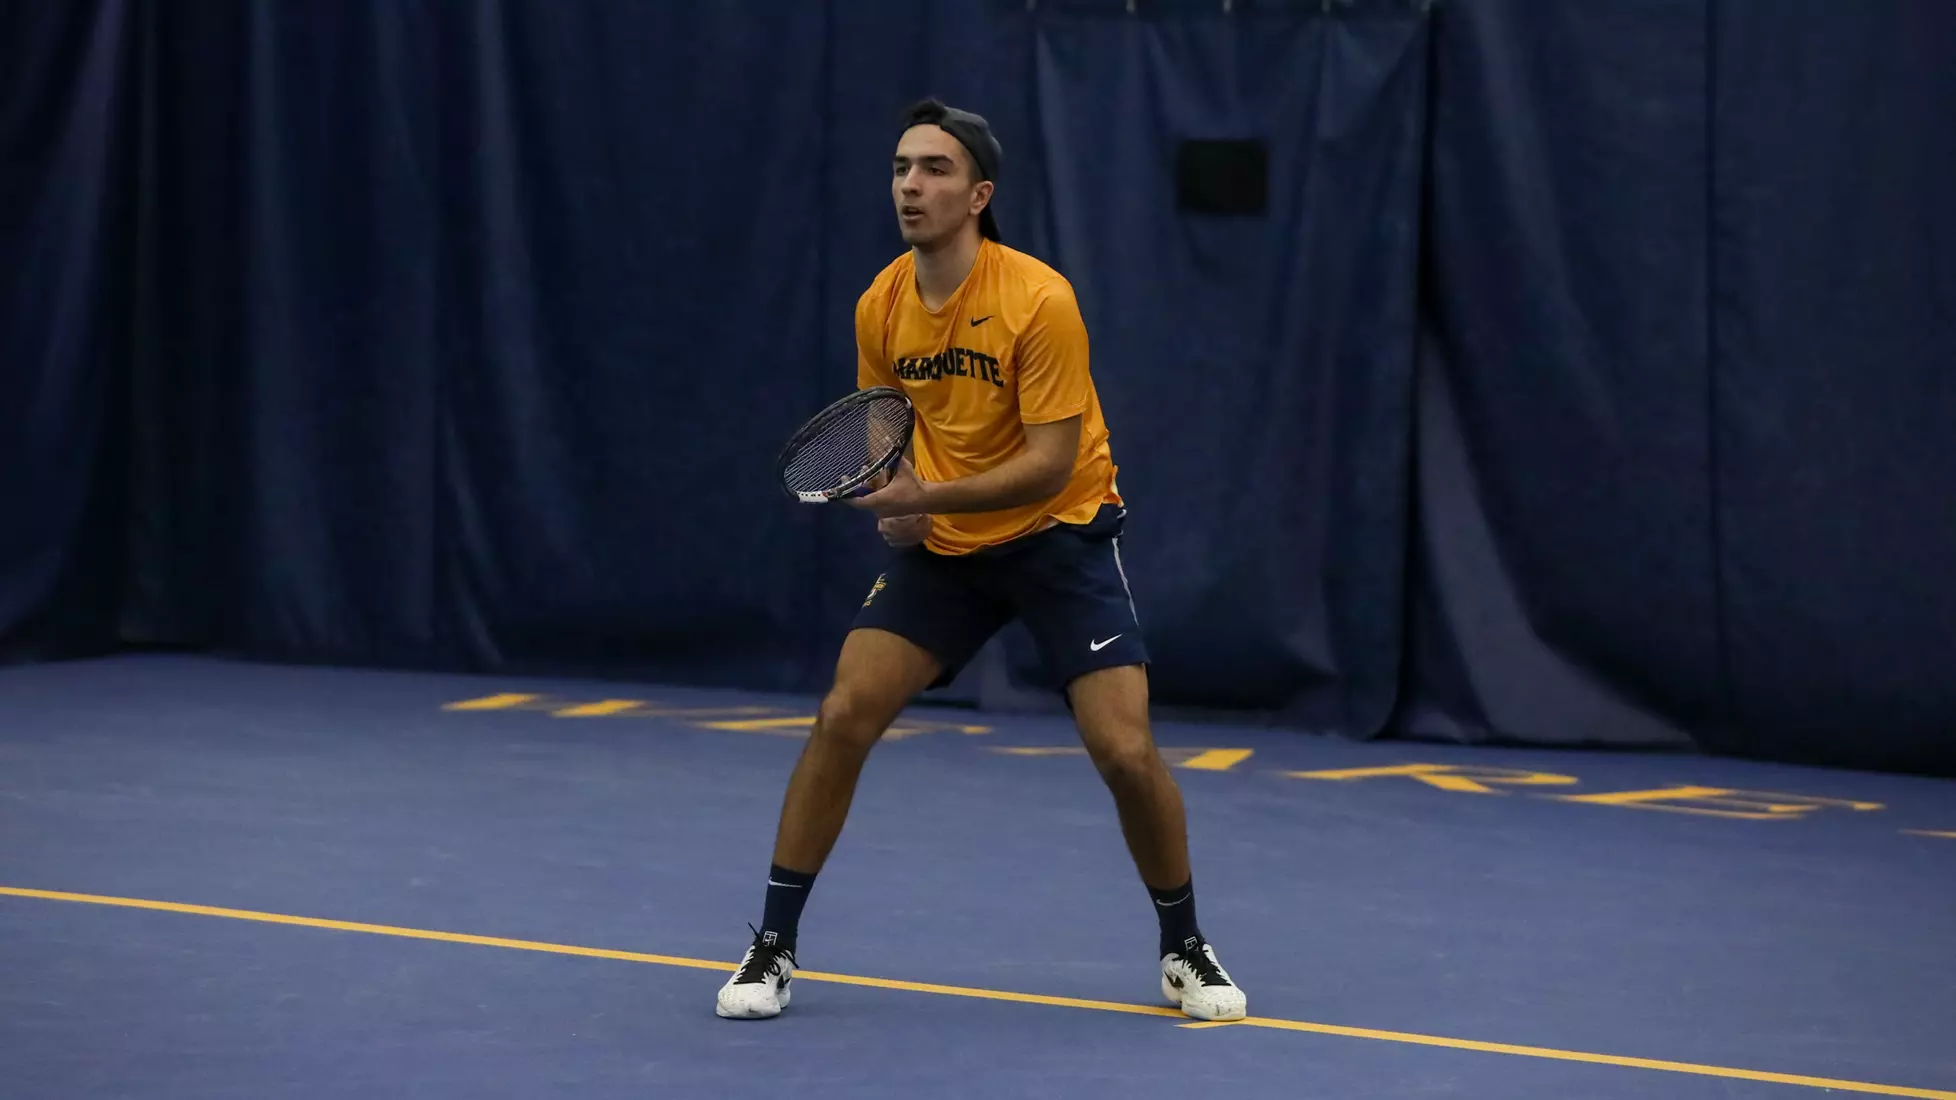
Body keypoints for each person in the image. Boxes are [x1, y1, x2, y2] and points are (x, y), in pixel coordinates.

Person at [715, 98, 1246, 1023]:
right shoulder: (880, 304)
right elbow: (883, 430)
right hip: (949, 550)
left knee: (1125, 751)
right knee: (843, 713)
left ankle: (1183, 947)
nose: (910, 186)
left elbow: (1048, 464)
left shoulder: (1039, 300)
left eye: (934, 169)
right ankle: (773, 945)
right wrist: (901, 503)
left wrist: (924, 499)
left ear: (978, 195)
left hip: (1060, 534)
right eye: (900, 168)